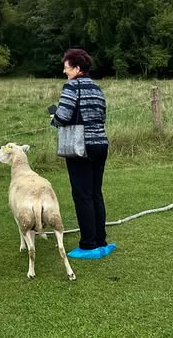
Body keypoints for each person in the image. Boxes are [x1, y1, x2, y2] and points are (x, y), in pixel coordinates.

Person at [49, 48, 116, 259]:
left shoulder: (71, 86)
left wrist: (53, 118)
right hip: (100, 144)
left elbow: (63, 116)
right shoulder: (97, 88)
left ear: (77, 68)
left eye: (67, 67)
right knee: (95, 193)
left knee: (82, 194)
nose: (64, 71)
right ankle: (101, 241)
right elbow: (101, 115)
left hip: (81, 147)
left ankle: (88, 245)